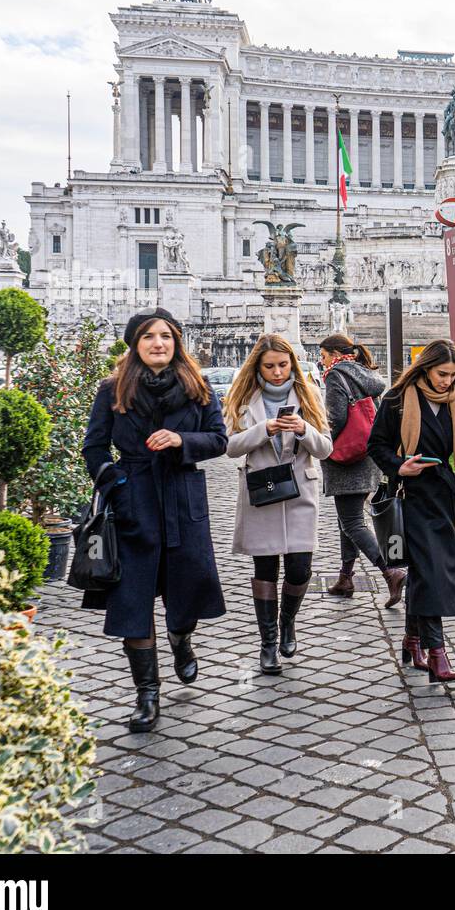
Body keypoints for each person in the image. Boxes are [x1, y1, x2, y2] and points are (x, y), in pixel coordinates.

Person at [81, 307, 228, 733]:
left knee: (186, 591)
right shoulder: (112, 389)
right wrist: (115, 482)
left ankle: (182, 640)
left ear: (176, 342)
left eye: (165, 335)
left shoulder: (198, 387)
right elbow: (94, 448)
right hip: (135, 501)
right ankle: (147, 694)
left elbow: (220, 439)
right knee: (134, 600)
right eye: (148, 337)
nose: (158, 343)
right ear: (135, 344)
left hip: (183, 499)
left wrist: (182, 439)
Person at [367, 339, 455, 683]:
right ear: (426, 368)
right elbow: (375, 445)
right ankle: (438, 654)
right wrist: (399, 466)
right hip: (409, 496)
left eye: (453, 375)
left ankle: (412, 639)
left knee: (424, 572)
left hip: (442, 498)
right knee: (433, 571)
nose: (446, 381)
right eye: (441, 374)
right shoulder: (397, 399)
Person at [224, 334, 333, 675]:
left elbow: (326, 448)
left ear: (292, 364)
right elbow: (229, 446)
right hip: (262, 491)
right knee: (265, 569)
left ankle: (288, 622)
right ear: (257, 366)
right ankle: (268, 642)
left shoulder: (308, 394)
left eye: (282, 365)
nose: (276, 372)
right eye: (269, 366)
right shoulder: (242, 397)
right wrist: (264, 429)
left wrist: (303, 429)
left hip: (300, 490)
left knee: (300, 567)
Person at [319, 334, 406, 605]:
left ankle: (390, 572)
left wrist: (319, 442)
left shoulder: (336, 375)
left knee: (352, 521)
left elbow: (336, 419)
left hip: (345, 457)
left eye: (322, 356)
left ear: (334, 355)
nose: (321, 362)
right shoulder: (365, 374)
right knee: (347, 518)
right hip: (365, 455)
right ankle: (346, 578)